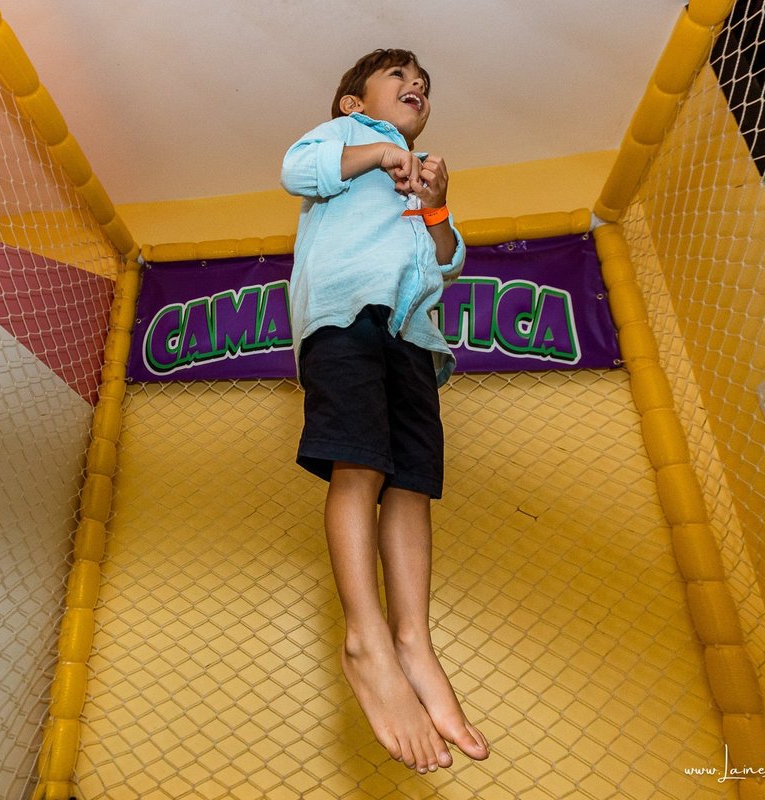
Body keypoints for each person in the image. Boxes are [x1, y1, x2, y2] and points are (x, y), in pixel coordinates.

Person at [280, 49, 491, 774]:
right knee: (361, 466)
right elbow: (295, 171)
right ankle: (366, 636)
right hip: (345, 316)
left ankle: (413, 642)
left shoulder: (417, 174)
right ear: (352, 102)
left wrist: (435, 203)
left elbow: (447, 260)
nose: (416, 88)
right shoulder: (340, 142)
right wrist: (376, 154)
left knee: (411, 486)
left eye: (423, 87)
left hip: (412, 338)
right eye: (399, 79)